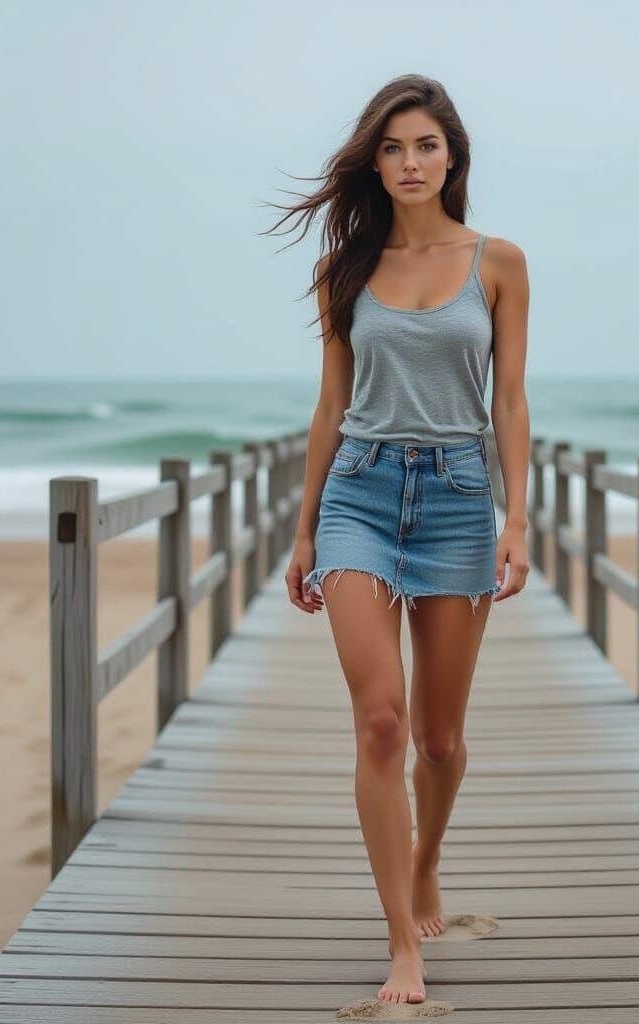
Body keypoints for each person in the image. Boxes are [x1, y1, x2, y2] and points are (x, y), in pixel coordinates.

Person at [264, 73, 530, 1005]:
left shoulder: (499, 263)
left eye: (424, 145)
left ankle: (427, 861)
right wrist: (303, 533)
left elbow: (508, 400)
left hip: (460, 499)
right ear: (373, 162)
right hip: (360, 499)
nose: (408, 163)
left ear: (452, 155)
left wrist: (519, 520)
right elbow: (331, 406)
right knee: (382, 718)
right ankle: (400, 943)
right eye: (391, 147)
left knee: (442, 740)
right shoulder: (347, 268)